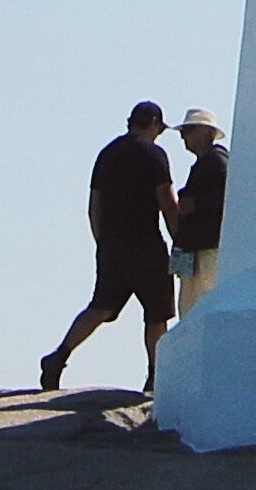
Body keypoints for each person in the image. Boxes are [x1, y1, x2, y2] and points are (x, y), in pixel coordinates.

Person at [41, 104, 181, 394]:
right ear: (153, 123)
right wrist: (179, 237)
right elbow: (166, 201)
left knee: (101, 307)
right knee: (157, 314)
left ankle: (59, 356)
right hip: (146, 244)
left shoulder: (107, 154)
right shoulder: (154, 155)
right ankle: (155, 379)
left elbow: (94, 206)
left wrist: (102, 243)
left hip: (112, 244)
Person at [172, 108, 232, 315]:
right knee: (191, 305)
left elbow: (230, 194)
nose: (183, 136)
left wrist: (196, 205)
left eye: (189, 130)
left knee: (201, 304)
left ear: (207, 132)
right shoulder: (207, 162)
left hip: (207, 248)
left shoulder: (216, 160)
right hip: (198, 248)